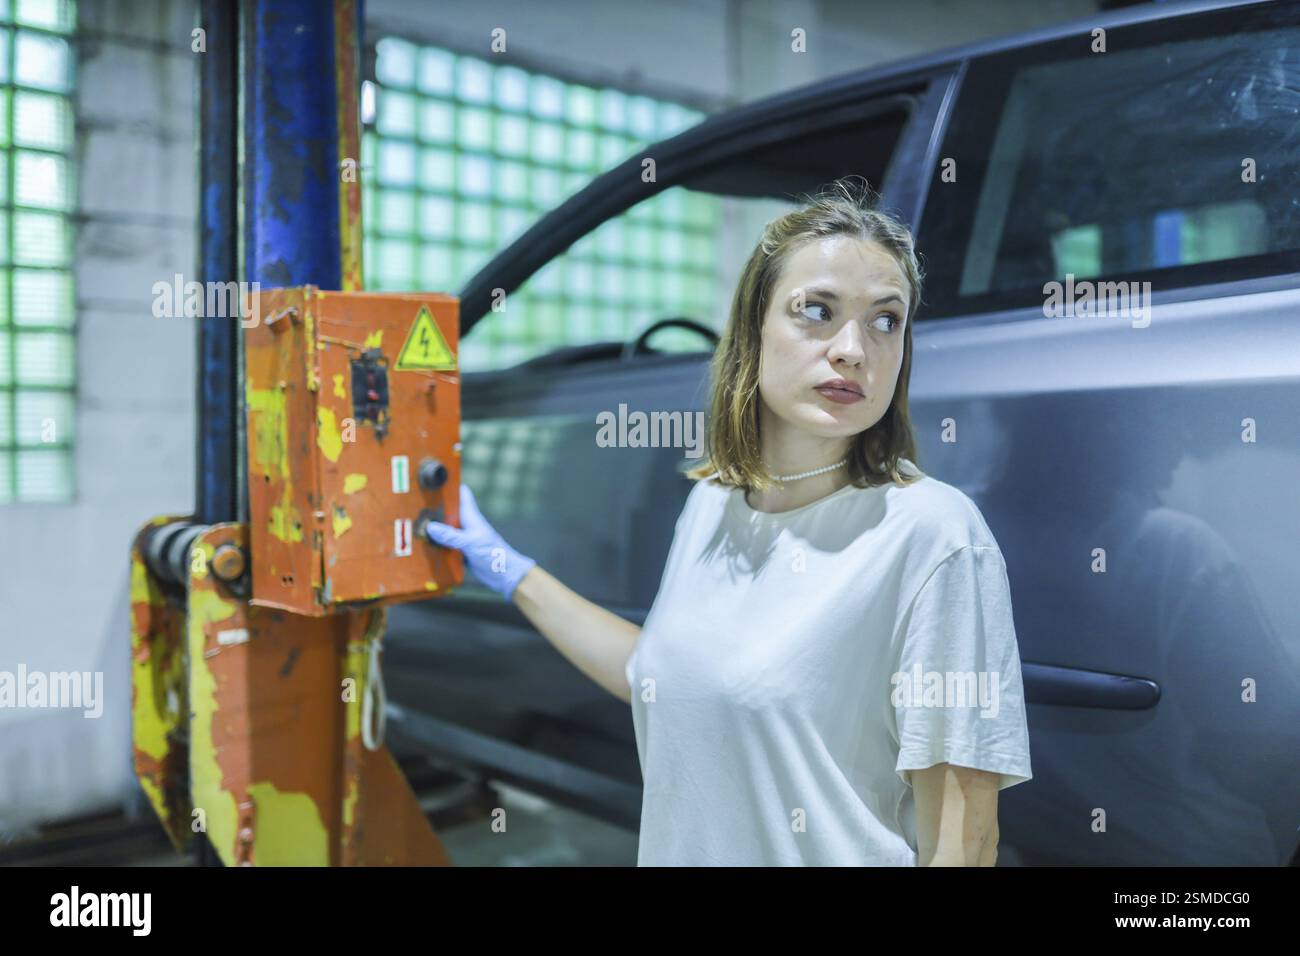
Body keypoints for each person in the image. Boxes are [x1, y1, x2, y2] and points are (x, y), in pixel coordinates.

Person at [425, 176, 1032, 866]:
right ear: (753, 329)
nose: (854, 349)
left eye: (885, 320)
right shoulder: (713, 500)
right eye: (818, 310)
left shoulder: (933, 535)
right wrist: (506, 567)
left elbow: (964, 842)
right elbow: (663, 677)